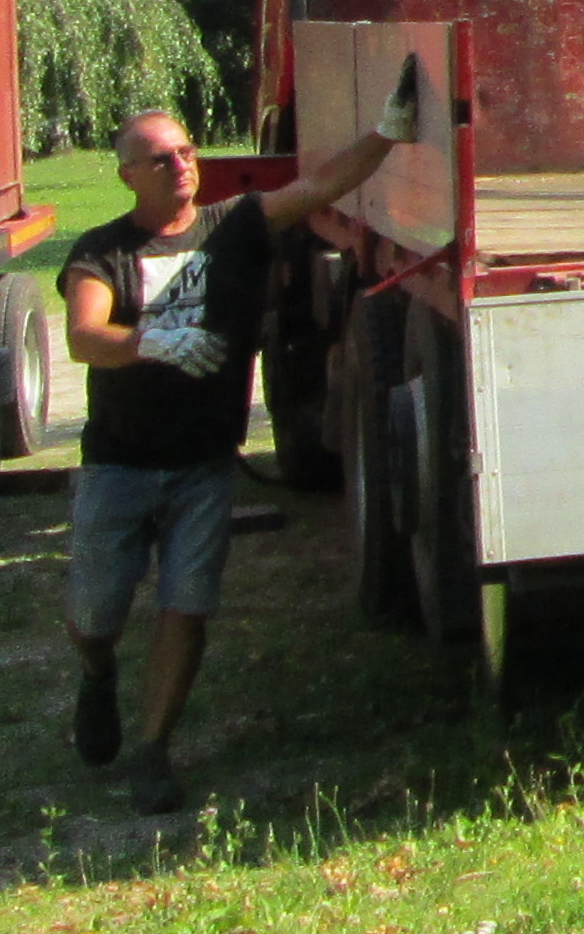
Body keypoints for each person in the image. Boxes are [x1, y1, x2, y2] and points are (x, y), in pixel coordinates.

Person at [56, 62, 423, 814]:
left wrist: (387, 133)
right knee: (94, 615)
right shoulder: (101, 252)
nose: (180, 167)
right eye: (160, 159)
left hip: (202, 466)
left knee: (187, 606)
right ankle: (97, 673)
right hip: (118, 465)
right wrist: (151, 343)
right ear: (128, 176)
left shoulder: (236, 227)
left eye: (186, 152)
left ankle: (154, 750)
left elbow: (322, 186)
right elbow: (84, 336)